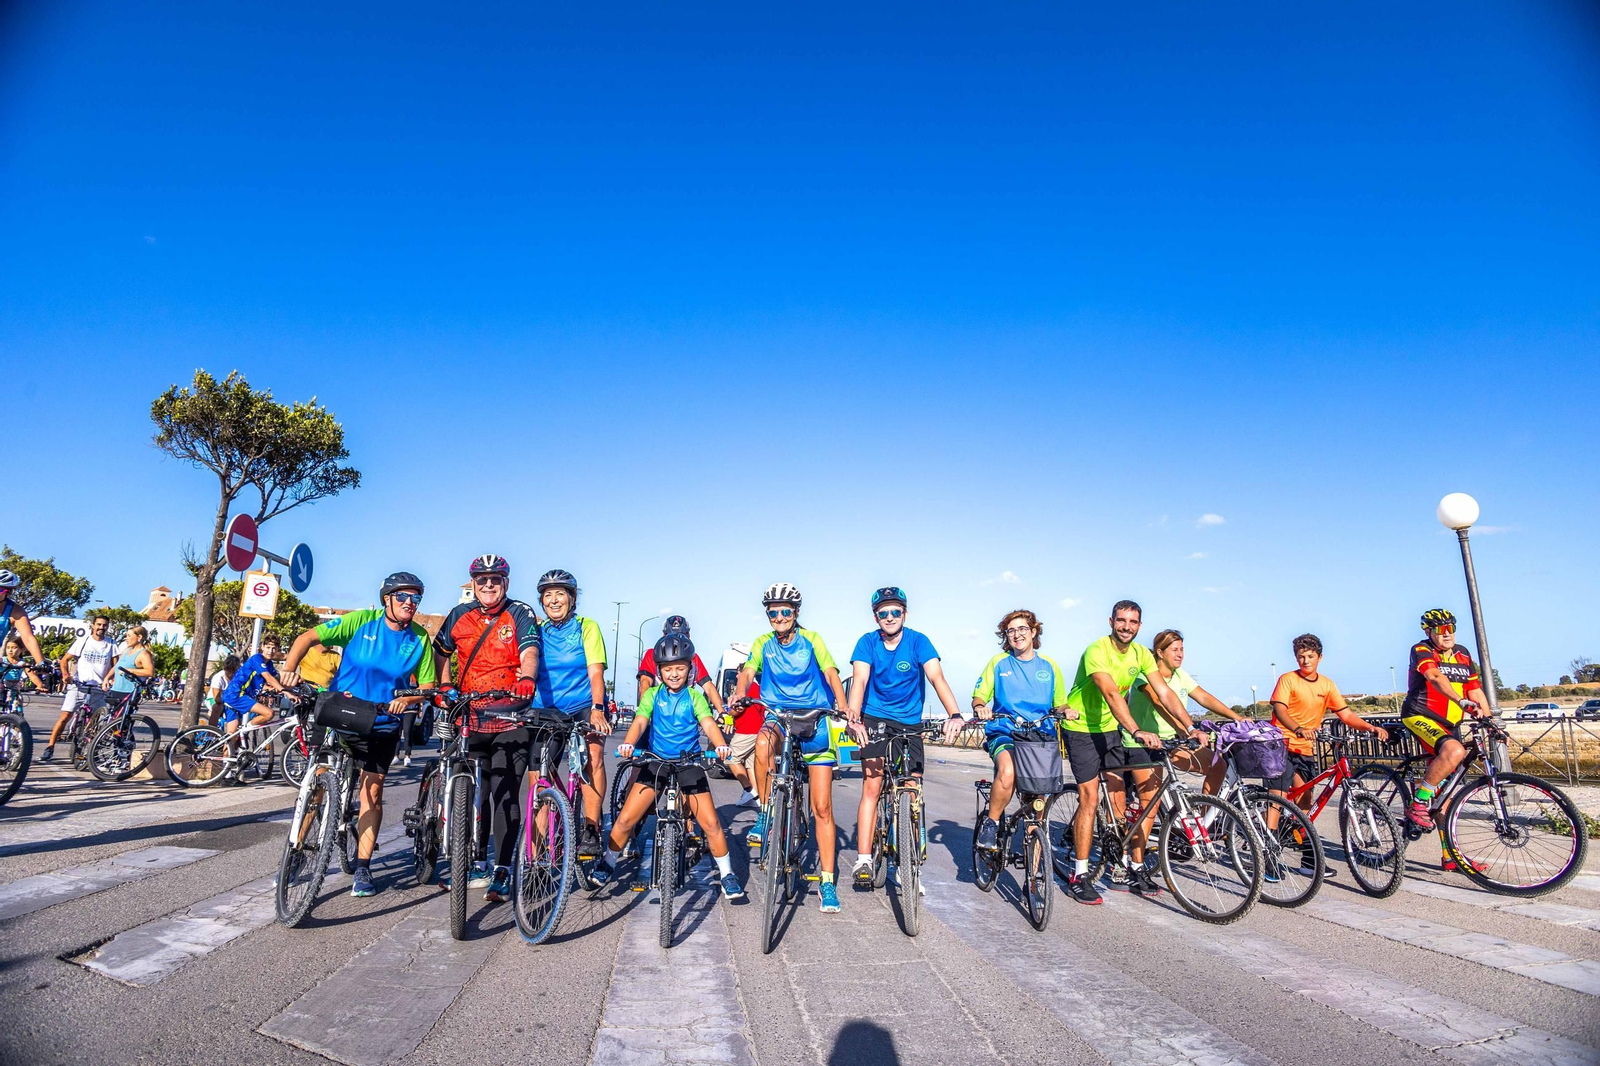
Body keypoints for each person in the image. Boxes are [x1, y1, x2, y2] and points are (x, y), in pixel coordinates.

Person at [283, 572, 436, 898]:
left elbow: (427, 688)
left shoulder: (420, 638)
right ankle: (297, 850)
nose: (410, 603)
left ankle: (363, 866)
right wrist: (288, 667)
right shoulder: (361, 621)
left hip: (381, 722)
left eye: (415, 598)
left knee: (372, 792)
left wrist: (405, 700)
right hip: (339, 711)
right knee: (320, 782)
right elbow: (306, 638)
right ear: (387, 599)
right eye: (403, 597)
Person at [1059, 601, 1193, 903]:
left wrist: (1190, 727)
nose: (1126, 627)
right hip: (1082, 729)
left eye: (1133, 622)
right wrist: (1135, 730)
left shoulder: (1141, 654)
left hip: (1110, 729)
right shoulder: (1097, 651)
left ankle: (1130, 867)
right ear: (1111, 621)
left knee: (1119, 801)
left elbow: (1165, 692)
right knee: (1091, 798)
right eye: (1121, 620)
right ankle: (1079, 875)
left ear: (1140, 626)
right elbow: (1108, 691)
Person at [593, 634, 744, 900]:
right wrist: (628, 744)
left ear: (690, 670)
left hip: (689, 763)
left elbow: (708, 723)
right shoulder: (652, 695)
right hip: (656, 762)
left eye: (680, 668)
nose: (674, 674)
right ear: (660, 672)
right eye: (668, 669)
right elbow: (640, 721)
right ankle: (608, 861)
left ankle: (727, 874)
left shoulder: (695, 696)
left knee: (710, 824)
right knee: (626, 818)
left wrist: (720, 745)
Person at [733, 582, 851, 914]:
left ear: (796, 614)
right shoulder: (763, 643)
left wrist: (841, 704)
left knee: (822, 808)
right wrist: (739, 693)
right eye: (774, 612)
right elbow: (747, 672)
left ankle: (826, 882)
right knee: (761, 742)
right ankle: (769, 813)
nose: (779, 617)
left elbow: (830, 672)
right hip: (779, 717)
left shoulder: (812, 639)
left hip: (815, 719)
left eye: (786, 611)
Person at [431, 554, 542, 902]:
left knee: (504, 791)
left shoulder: (520, 613)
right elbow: (440, 652)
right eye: (482, 580)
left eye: (495, 579)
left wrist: (526, 678)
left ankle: (503, 869)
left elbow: (530, 652)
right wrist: (444, 684)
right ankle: (472, 862)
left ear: (506, 583)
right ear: (473, 584)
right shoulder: (459, 615)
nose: (489, 585)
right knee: (469, 792)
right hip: (469, 715)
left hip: (511, 715)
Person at [844, 587, 965, 893]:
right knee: (872, 785)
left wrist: (954, 714)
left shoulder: (918, 641)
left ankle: (908, 863)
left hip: (909, 722)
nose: (889, 617)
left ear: (905, 614)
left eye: (895, 611)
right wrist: (854, 718)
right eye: (883, 613)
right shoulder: (867, 642)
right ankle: (864, 859)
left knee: (911, 787)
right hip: (873, 716)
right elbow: (859, 681)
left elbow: (937, 678)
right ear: (876, 617)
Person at [1399, 609, 1491, 857]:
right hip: (1420, 715)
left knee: (1446, 792)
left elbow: (1474, 688)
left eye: (1451, 627)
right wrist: (1460, 701)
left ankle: (1451, 856)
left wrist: (1489, 718)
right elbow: (1434, 676)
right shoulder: (1421, 650)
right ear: (1429, 632)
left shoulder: (1462, 654)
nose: (1447, 633)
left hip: (1449, 724)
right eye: (1440, 629)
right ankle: (1418, 803)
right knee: (1455, 750)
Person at [532, 569, 611, 859]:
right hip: (546, 709)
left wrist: (598, 709)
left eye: (560, 594)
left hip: (582, 705)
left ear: (572, 598)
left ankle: (591, 827)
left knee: (593, 756)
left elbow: (595, 672)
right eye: (547, 595)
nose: (554, 601)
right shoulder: (537, 631)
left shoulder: (586, 627)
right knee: (538, 776)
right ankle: (536, 855)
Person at [1268, 633, 1388, 812]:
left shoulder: (1327, 685)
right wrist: (1298, 729)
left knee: (1306, 797)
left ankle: (1302, 837)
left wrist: (1370, 727)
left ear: (1319, 657)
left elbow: (1346, 715)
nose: (1306, 661)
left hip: (1305, 747)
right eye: (1301, 657)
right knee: (1278, 798)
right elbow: (1280, 710)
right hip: (1280, 744)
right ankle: (1269, 836)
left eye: (1310, 656)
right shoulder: (1288, 679)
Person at [1128, 629, 1243, 796]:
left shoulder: (1180, 675)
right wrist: (1185, 729)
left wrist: (1237, 717)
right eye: (1175, 650)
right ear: (1160, 652)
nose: (1180, 654)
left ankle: (1205, 820)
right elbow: (1159, 702)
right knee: (1151, 803)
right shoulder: (1144, 675)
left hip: (1173, 741)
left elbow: (1204, 697)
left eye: (1182, 649)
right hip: (1146, 742)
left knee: (1218, 766)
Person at [635, 616, 739, 794]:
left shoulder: (693, 658)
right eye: (671, 635)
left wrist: (723, 712)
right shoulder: (653, 654)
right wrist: (648, 710)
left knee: (688, 767)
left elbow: (708, 687)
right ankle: (629, 796)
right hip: (658, 714)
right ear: (663, 635)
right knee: (640, 764)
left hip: (683, 715)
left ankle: (686, 818)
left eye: (682, 635)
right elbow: (645, 682)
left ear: (688, 636)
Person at [41, 615, 117, 762]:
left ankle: (88, 750)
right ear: (93, 626)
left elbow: (116, 665)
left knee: (96, 721)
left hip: (98, 688)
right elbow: (65, 660)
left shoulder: (111, 644)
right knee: (65, 717)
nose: (101, 627)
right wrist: (65, 675)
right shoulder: (83, 641)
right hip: (79, 685)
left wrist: (109, 679)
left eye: (104, 625)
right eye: (99, 624)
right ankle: (50, 747)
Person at [217, 634, 289, 778]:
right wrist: (285, 691)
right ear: (262, 647)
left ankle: (226, 774)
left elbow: (274, 681)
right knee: (268, 714)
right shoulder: (257, 659)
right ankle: (245, 729)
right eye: (268, 647)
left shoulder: (269, 664)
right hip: (237, 695)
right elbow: (268, 678)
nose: (270, 651)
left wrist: (294, 690)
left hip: (235, 696)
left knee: (231, 737)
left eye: (274, 648)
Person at [2, 636, 44, 712]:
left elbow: (32, 675)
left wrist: (39, 685)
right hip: (2, 690)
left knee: (17, 712)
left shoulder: (23, 663)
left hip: (15, 691)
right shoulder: (2, 661)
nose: (10, 650)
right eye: (8, 647)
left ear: (22, 649)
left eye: (14, 647)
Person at [204, 654, 240, 728]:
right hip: (213, 699)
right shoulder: (218, 678)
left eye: (233, 671)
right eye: (228, 670)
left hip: (230, 700)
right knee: (217, 707)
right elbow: (217, 698)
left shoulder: (239, 676)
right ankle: (212, 732)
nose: (230, 674)